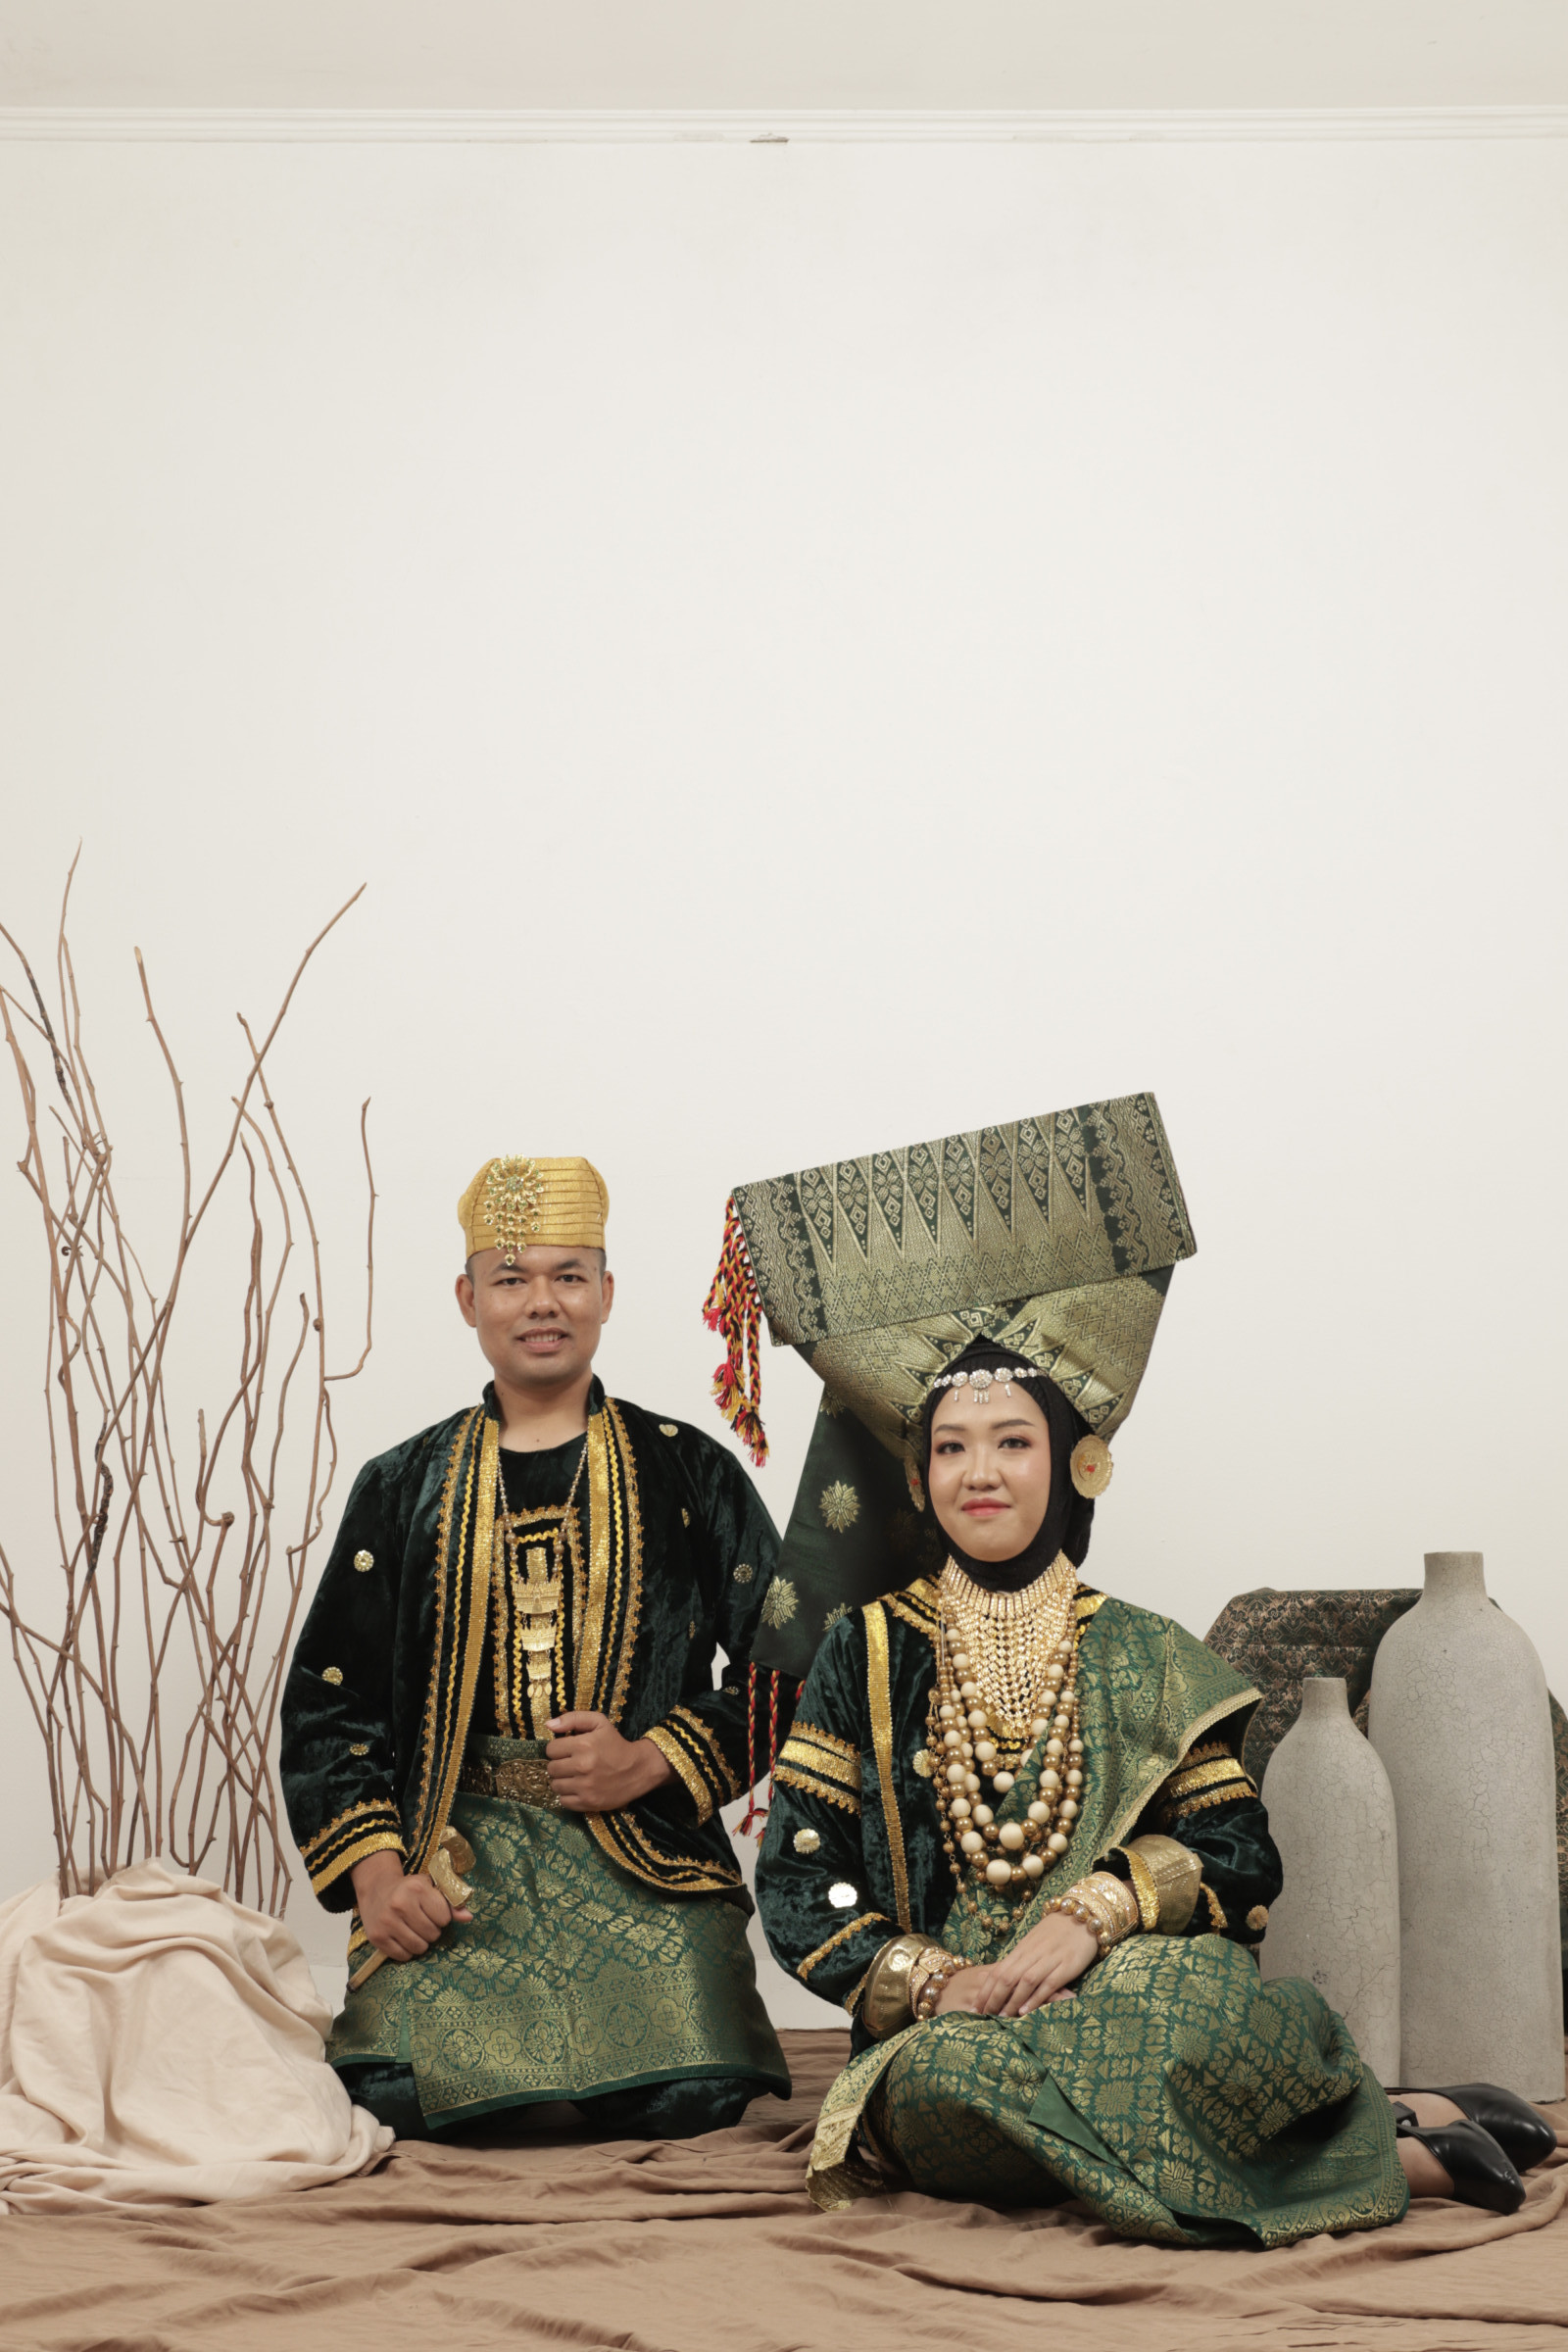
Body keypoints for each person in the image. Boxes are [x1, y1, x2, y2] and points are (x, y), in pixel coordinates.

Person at [711, 1101, 1556, 2237]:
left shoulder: (1147, 1650)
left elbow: (1235, 1856)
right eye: (951, 1446)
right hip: (949, 2038)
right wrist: (937, 1982)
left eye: (1012, 1441)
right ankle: (1399, 2151)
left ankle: (1367, 2127)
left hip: (1125, 1992)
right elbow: (801, 1885)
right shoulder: (862, 1652)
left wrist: (1099, 1914)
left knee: (1182, 1999)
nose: (979, 1473)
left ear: (1075, 1463)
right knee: (957, 2090)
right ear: (916, 1479)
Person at [280, 1153, 792, 2140]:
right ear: (468, 1298)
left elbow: (788, 1668)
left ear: (607, 1292)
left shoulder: (689, 1470)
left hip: (641, 1849)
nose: (542, 1303)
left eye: (568, 1276)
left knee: (688, 2099)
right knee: (399, 2092)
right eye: (511, 1279)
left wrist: (654, 1758)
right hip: (457, 1855)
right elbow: (328, 1700)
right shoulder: (401, 1484)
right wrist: (379, 1877)